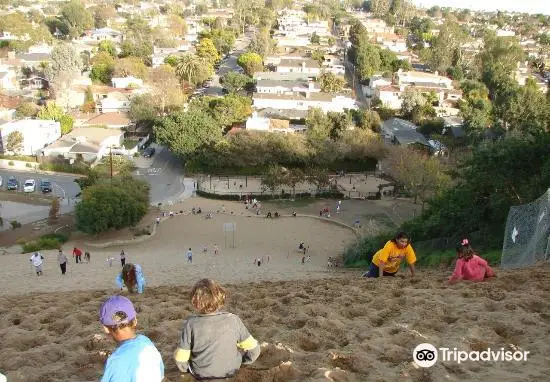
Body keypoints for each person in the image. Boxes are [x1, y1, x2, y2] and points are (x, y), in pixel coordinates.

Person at [173, 279, 260, 380]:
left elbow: (181, 358)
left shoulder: (191, 324)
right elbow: (255, 350)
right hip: (231, 370)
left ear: (195, 302)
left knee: (177, 353)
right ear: (220, 299)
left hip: (201, 374)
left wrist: (186, 369)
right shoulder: (233, 319)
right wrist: (243, 361)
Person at [99, 295, 164, 382]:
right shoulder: (146, 342)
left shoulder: (116, 360)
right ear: (135, 321)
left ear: (106, 329)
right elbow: (161, 372)